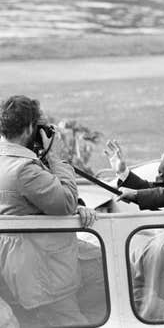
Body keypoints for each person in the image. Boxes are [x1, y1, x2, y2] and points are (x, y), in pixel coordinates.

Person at [0, 95, 96, 326]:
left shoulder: (9, 160)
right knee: (71, 320)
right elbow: (65, 202)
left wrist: (77, 207)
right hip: (40, 268)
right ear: (29, 129)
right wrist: (57, 157)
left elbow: (33, 201)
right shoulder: (24, 169)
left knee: (97, 266)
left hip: (18, 261)